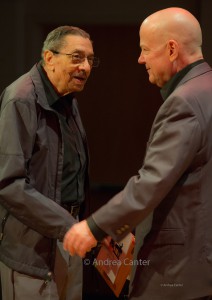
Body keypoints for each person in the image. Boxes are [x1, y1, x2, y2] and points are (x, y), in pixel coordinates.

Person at [63, 7, 212, 300]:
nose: (140, 58)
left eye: (145, 49)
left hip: (176, 273)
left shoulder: (183, 102)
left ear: (171, 49)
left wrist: (94, 227)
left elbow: (151, 183)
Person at [0, 25, 99, 300]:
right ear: (49, 57)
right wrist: (69, 225)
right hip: (32, 250)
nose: (86, 67)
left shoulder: (68, 97)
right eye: (77, 57)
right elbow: (9, 184)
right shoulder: (20, 99)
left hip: (70, 236)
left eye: (91, 59)